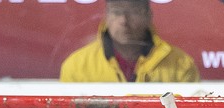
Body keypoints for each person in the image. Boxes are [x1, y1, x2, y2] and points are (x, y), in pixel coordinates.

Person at [60, 0, 199, 83]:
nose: (124, 21)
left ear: (148, 15)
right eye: (116, 12)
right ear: (106, 16)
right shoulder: (76, 66)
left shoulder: (181, 64)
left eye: (133, 11)